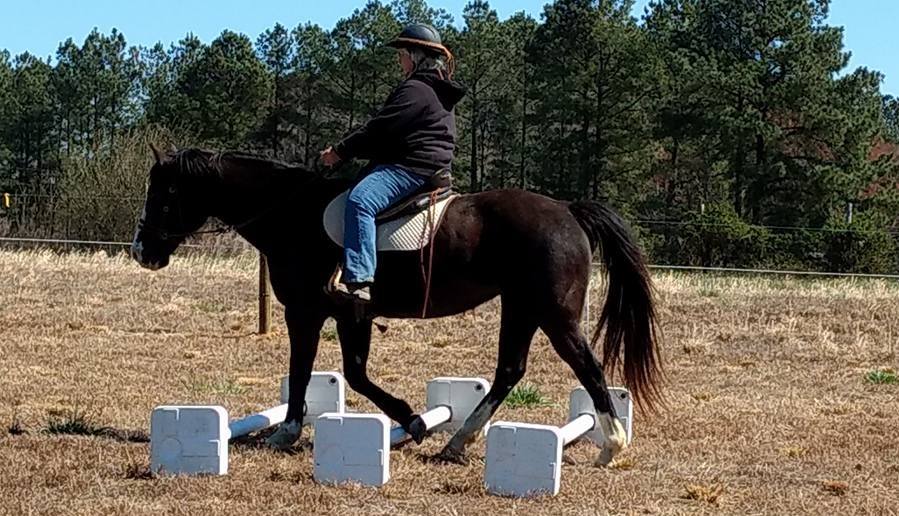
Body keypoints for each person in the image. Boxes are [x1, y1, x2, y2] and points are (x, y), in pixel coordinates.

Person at [320, 24, 466, 303]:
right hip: (432, 166)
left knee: (361, 200)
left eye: (401, 55)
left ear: (414, 56)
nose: (400, 62)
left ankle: (360, 278)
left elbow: (379, 130)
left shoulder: (416, 89)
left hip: (411, 168)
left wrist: (338, 152)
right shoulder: (438, 89)